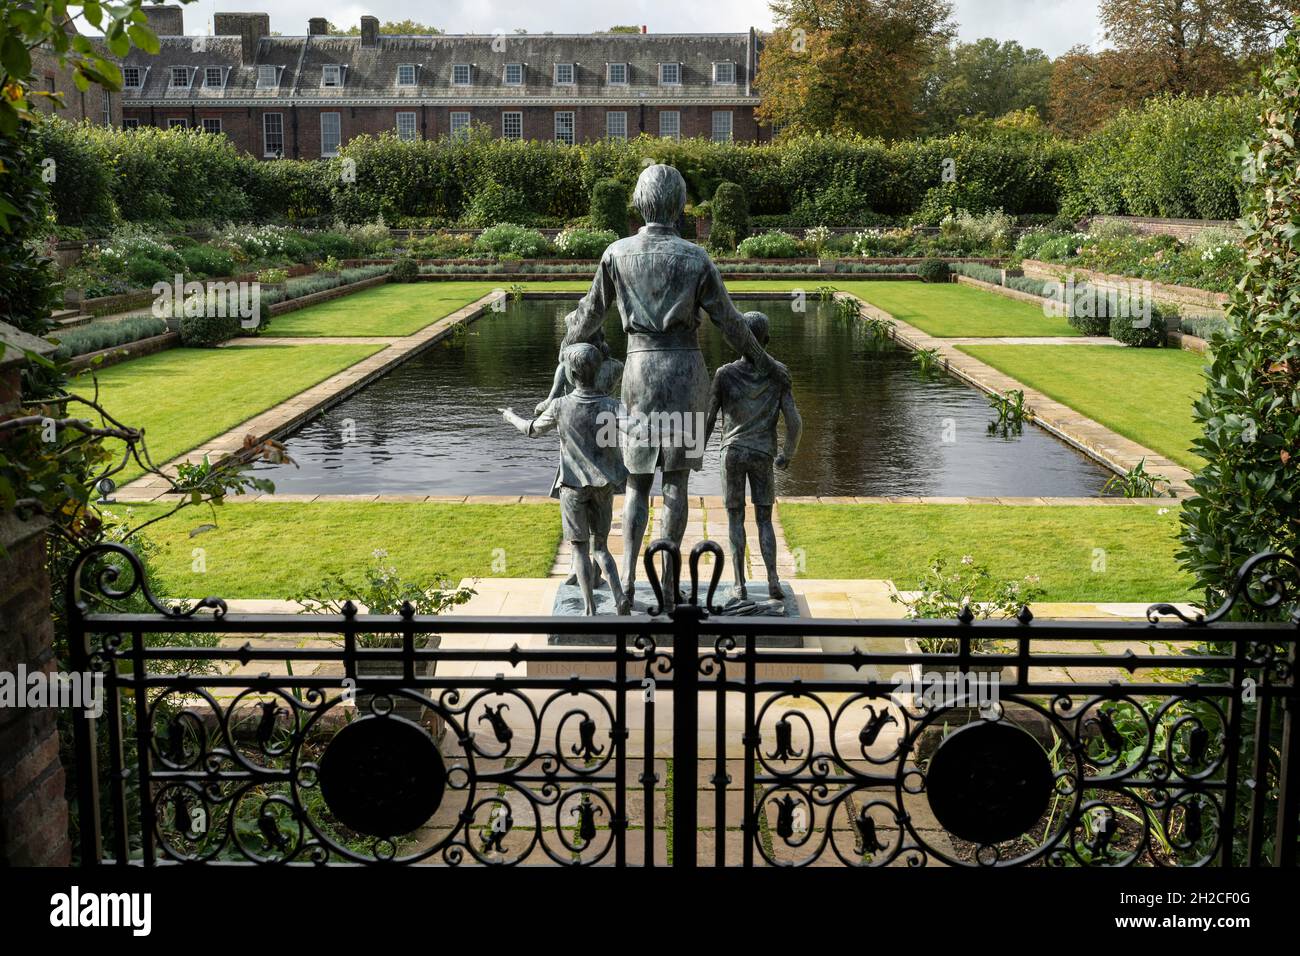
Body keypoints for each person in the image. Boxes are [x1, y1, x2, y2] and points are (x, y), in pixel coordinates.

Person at [561, 163, 789, 601]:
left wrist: (566, 357)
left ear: (639, 202)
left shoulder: (616, 253)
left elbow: (589, 316)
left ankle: (626, 580)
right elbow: (732, 325)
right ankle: (666, 585)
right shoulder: (695, 257)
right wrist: (766, 363)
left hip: (639, 373)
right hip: (685, 373)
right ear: (680, 205)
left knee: (635, 482)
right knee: (675, 483)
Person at [500, 344, 629, 615]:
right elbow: (639, 428)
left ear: (570, 374)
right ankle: (620, 599)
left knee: (579, 549)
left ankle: (590, 609)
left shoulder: (560, 406)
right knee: (602, 548)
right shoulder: (611, 405)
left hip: (571, 486)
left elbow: (531, 430)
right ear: (598, 371)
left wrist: (509, 416)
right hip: (603, 485)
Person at [704, 311, 802, 601]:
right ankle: (772, 580)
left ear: (738, 341)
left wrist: (696, 452)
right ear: (767, 340)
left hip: (731, 454)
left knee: (735, 519)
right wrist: (787, 454)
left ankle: (739, 584)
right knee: (764, 520)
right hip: (762, 453)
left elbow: (708, 419)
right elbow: (794, 421)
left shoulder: (724, 374)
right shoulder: (778, 373)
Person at [535, 316, 624, 588]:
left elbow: (564, 368)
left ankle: (585, 571)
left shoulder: (586, 364)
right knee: (598, 525)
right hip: (603, 426)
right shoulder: (611, 365)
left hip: (583, 423)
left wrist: (551, 401)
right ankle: (591, 570)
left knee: (578, 514)